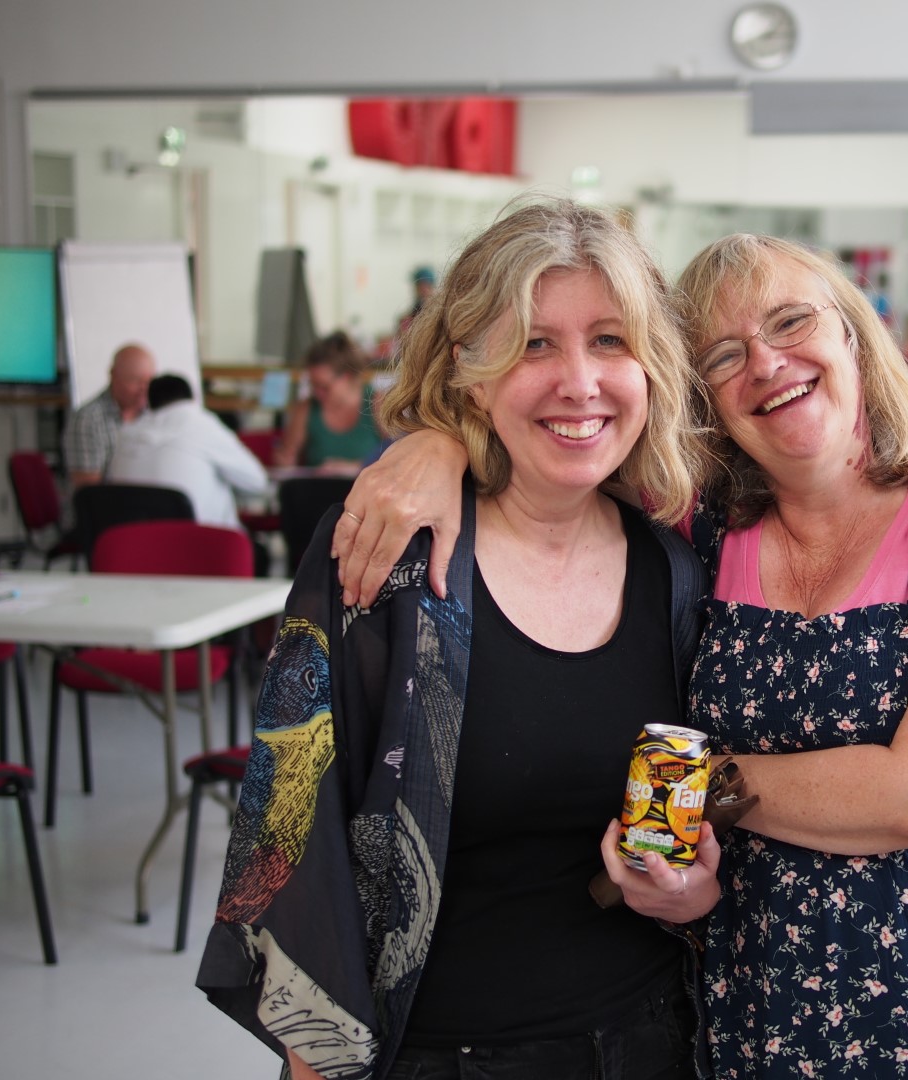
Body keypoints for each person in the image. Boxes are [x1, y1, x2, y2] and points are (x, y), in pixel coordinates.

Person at [336, 234, 908, 1077]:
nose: (767, 362)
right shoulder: (693, 533)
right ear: (699, 398)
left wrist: (696, 780)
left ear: (854, 337)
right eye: (724, 355)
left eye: (792, 321)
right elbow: (558, 441)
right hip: (764, 984)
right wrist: (432, 448)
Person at [196, 199, 718, 1080]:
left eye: (611, 341)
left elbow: (702, 846)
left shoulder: (678, 572)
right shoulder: (383, 552)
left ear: (654, 367)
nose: (579, 382)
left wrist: (693, 894)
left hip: (647, 1047)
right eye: (533, 343)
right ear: (469, 369)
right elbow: (293, 843)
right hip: (430, 1054)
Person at [106, 374, 268, 529]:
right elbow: (257, 482)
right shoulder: (202, 423)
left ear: (150, 403)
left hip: (135, 548)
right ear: (192, 399)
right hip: (199, 547)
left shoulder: (126, 435)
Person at [272, 331, 385, 470]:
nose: (317, 393)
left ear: (347, 377)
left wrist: (356, 467)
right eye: (312, 385)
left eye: (324, 387)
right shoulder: (306, 408)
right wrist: (285, 462)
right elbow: (286, 457)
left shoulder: (377, 403)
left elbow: (398, 457)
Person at [63, 342, 156, 489]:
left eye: (149, 381)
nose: (143, 389)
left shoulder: (155, 416)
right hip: (106, 508)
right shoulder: (88, 419)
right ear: (114, 375)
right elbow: (88, 490)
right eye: (135, 380)